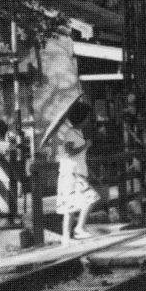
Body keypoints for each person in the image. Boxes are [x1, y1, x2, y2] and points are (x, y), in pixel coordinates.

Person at [54, 101, 100, 243]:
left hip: (75, 172)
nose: (88, 119)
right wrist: (85, 145)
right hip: (72, 174)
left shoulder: (77, 132)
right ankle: (79, 228)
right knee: (91, 197)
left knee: (70, 206)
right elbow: (69, 152)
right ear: (82, 117)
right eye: (87, 116)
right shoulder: (71, 133)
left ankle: (66, 237)